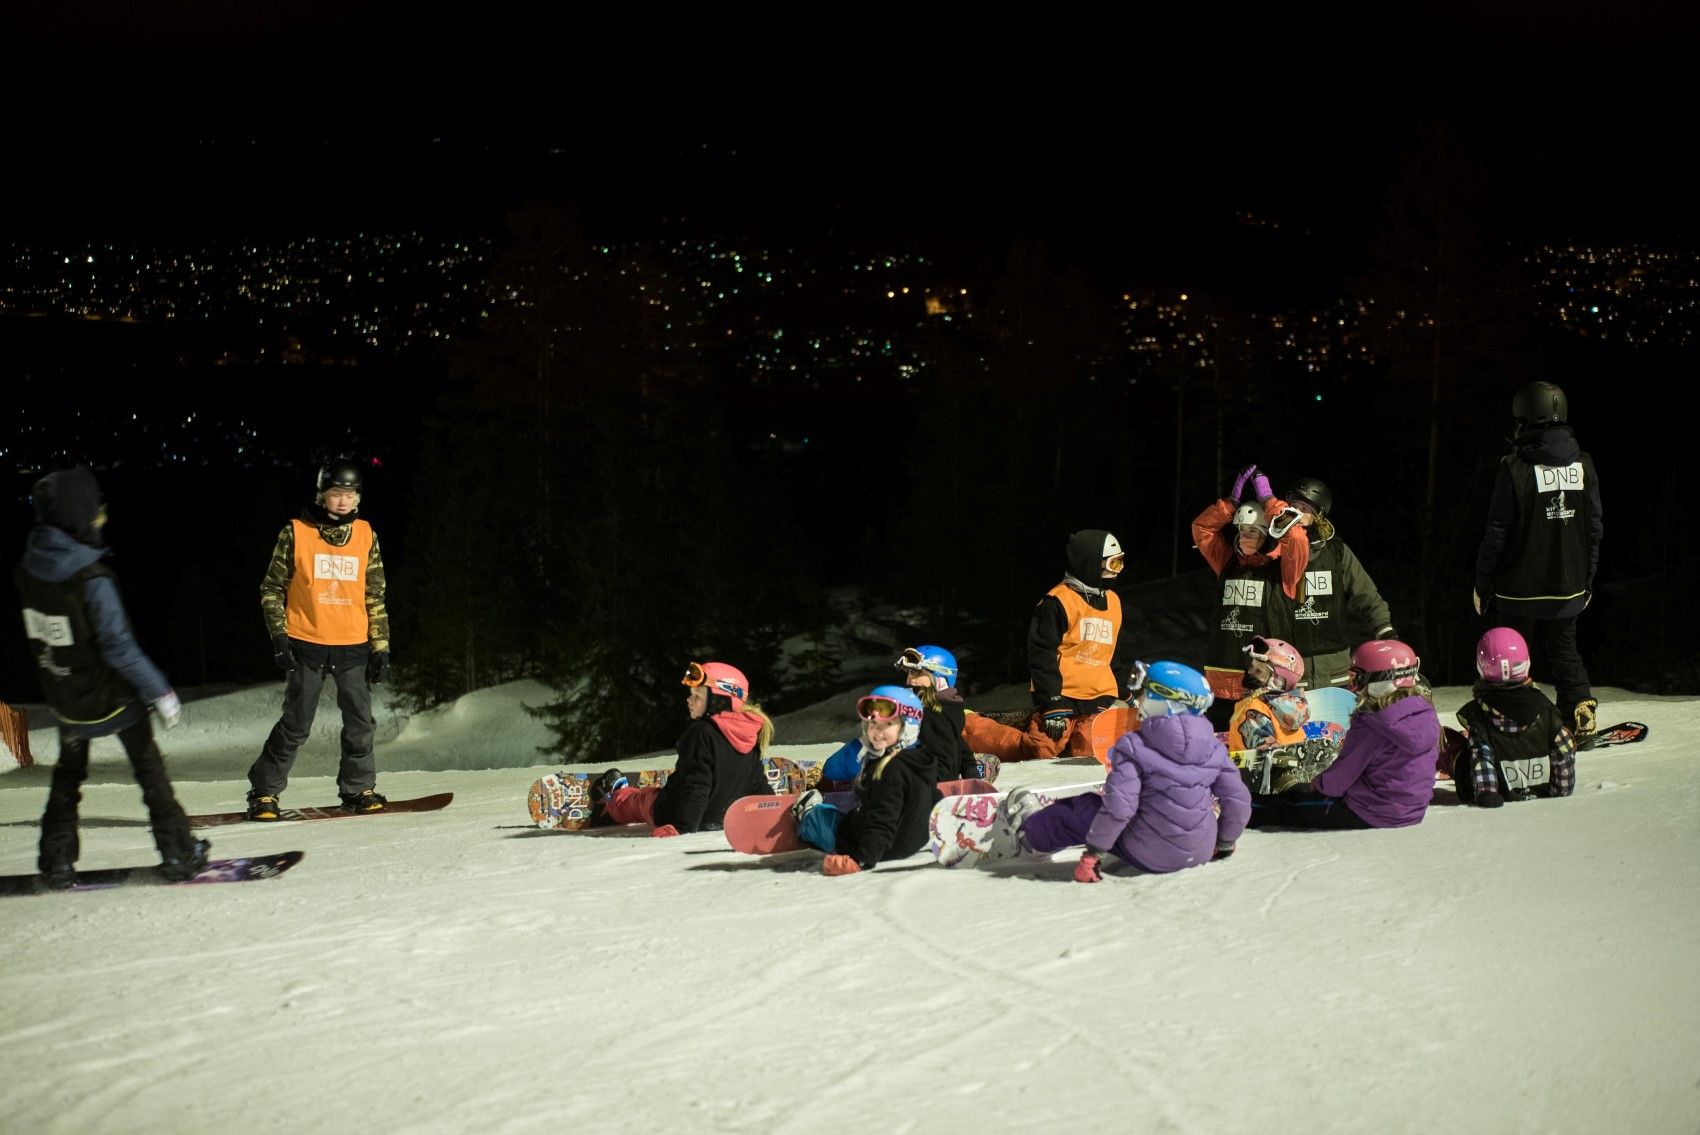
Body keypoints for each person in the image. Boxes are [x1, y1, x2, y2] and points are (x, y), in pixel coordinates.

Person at [15, 467, 208, 887]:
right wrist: (159, 691)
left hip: (66, 700)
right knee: (148, 768)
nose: (101, 514)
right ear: (78, 513)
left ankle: (56, 860)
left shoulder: (29, 570)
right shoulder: (92, 579)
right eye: (95, 507)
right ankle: (179, 851)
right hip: (111, 700)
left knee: (68, 775)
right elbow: (118, 647)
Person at [988, 661, 1250, 881]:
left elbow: (1120, 808)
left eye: (1145, 694)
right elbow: (1238, 800)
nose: (1138, 700)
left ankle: (1030, 836)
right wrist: (1225, 843)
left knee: (1086, 807)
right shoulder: (1214, 747)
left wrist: (1093, 856)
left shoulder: (1135, 744)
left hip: (1147, 853)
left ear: (1165, 702)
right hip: (1201, 850)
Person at [246, 458, 391, 819]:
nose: (342, 501)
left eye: (349, 494)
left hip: (352, 645)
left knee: (360, 725)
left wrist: (381, 646)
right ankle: (264, 792)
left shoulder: (365, 534)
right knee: (296, 724)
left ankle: (358, 789)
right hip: (306, 644)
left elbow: (374, 594)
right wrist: (279, 637)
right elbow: (271, 588)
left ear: (358, 498)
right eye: (335, 494)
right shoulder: (295, 532)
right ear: (321, 494)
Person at [1473, 381, 1603, 745]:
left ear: (1524, 419)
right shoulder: (1584, 465)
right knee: (1565, 651)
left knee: (1509, 657)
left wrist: (1483, 584)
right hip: (1569, 587)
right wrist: (1588, 579)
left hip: (1520, 590)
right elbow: (1594, 528)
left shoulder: (1513, 467)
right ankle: (1580, 711)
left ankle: (1509, 722)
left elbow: (1497, 531)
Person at [961, 529, 1138, 762]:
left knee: (1090, 754)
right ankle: (968, 726)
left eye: (1121, 562)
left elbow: (1111, 654)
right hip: (1061, 695)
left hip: (1098, 698)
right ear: (1091, 563)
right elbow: (1041, 655)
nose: (1119, 570)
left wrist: (1125, 694)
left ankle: (1071, 749)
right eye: (1114, 563)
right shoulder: (1057, 602)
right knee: (1039, 751)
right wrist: (1052, 704)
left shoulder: (1113, 602)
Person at [1247, 640, 1438, 830]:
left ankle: (1237, 811)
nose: (1353, 685)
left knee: (1284, 806)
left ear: (1382, 680)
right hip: (1412, 811)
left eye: (1357, 679)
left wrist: (1315, 785)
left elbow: (1338, 780)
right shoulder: (1425, 713)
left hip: (1368, 811)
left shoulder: (1372, 722)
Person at [594, 661, 773, 836]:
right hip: (718, 820)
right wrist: (776, 815)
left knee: (638, 801)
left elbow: (698, 784)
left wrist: (683, 828)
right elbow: (757, 784)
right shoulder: (751, 733)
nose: (689, 700)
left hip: (670, 814)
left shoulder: (701, 732)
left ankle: (615, 794)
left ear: (719, 700)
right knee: (653, 794)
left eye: (697, 696)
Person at [1191, 464, 1309, 728]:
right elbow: (1202, 530)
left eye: (1253, 531)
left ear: (1268, 536)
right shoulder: (1227, 562)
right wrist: (1230, 504)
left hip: (1263, 682)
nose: (1245, 536)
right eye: (1242, 530)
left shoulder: (1284, 570)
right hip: (1220, 682)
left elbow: (1297, 538)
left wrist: (1269, 501)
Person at [791, 686, 938, 875]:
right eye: (873, 724)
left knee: (820, 817)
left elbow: (882, 819)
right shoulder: (923, 760)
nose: (877, 732)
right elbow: (932, 797)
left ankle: (808, 812)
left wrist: (861, 861)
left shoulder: (890, 770)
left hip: (862, 846)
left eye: (887, 725)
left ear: (908, 727)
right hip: (907, 846)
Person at [1277, 477, 1397, 688]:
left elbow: (1366, 594)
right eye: (1293, 506)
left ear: (1318, 515)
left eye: (1304, 508)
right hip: (1289, 666)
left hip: (1335, 667)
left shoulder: (1336, 552)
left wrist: (1384, 630)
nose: (1297, 513)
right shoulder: (1275, 553)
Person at [1451, 627, 1576, 808]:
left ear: (1481, 666)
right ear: (1526, 662)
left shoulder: (1480, 717)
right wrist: (1560, 790)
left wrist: (1487, 794)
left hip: (1502, 797)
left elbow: (1483, 758)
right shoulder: (1545, 707)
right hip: (1547, 800)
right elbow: (1563, 750)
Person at [895, 644, 979, 783]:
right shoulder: (947, 707)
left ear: (939, 677)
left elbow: (941, 758)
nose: (909, 679)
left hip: (928, 785)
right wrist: (970, 769)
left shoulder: (932, 714)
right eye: (909, 672)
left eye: (917, 672)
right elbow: (956, 742)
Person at [1227, 636, 1310, 754]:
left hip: (1251, 770)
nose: (1249, 672)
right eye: (1252, 667)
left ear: (1278, 679)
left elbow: (1265, 754)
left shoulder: (1252, 709)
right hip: (1294, 766)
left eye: (1258, 671)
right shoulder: (1295, 708)